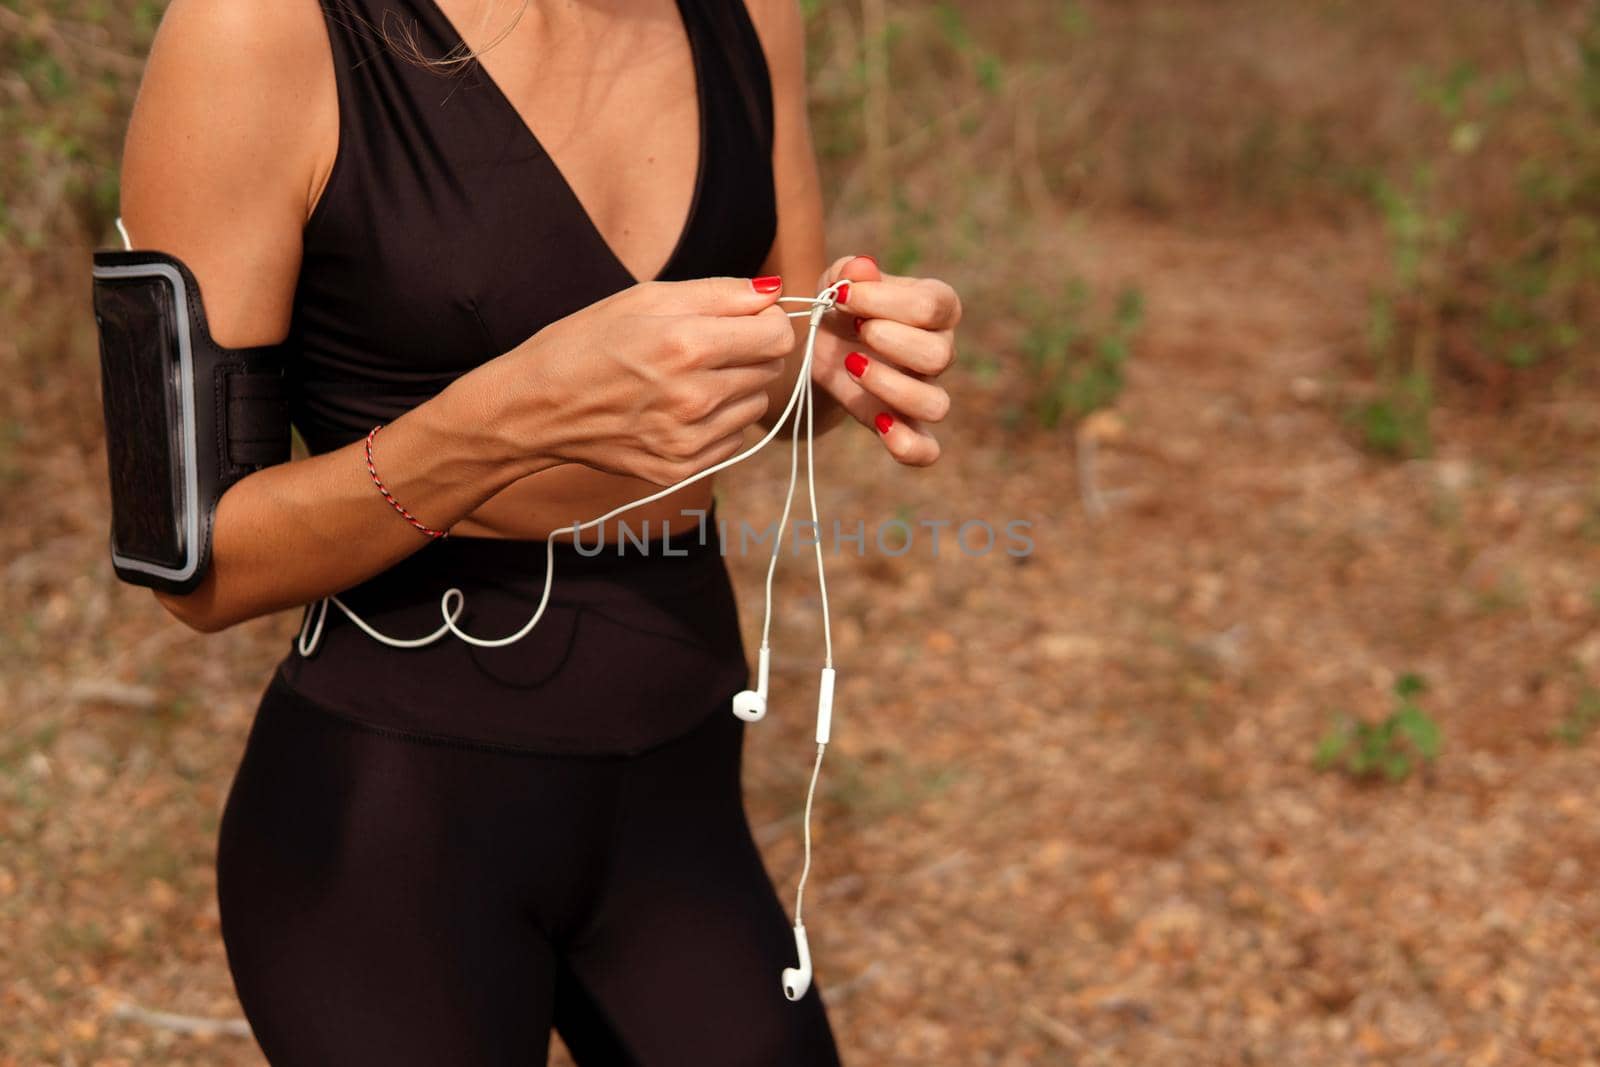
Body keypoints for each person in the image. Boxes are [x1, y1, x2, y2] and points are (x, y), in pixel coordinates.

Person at [116, 0, 960, 1061]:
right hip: (389, 831)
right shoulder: (258, 29)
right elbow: (190, 566)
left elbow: (770, 372)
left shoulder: (754, 14)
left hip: (685, 792)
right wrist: (503, 419)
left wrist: (838, 355)